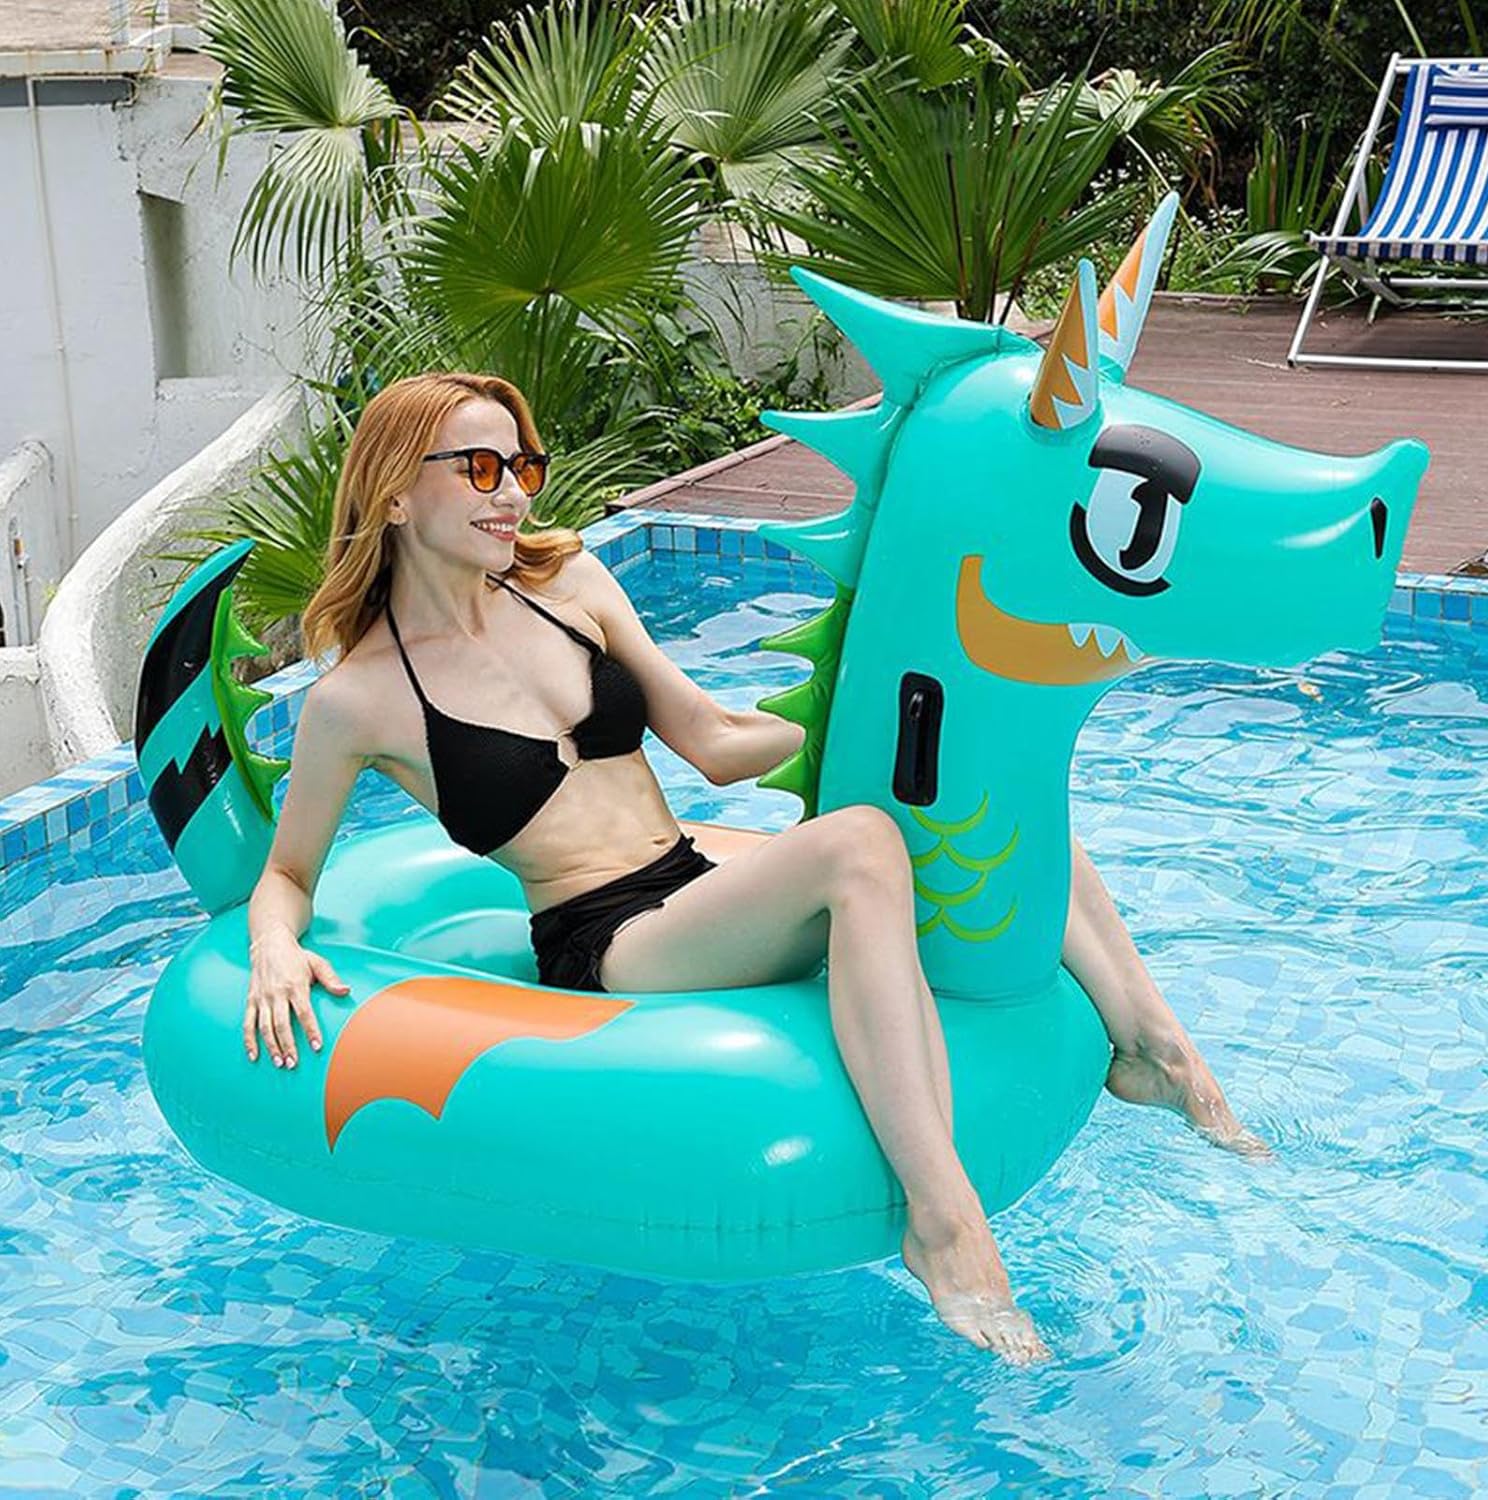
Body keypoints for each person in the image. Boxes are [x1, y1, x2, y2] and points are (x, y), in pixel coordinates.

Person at [245, 371, 1265, 1363]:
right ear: (394, 491)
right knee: (861, 844)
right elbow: (289, 875)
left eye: (523, 466)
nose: (511, 491)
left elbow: (715, 742)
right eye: (479, 468)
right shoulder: (358, 700)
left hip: (691, 878)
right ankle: (944, 1221)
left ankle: (1162, 1054)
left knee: (974, 791)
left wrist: (903, 749)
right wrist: (273, 949)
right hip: (607, 941)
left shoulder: (569, 586)